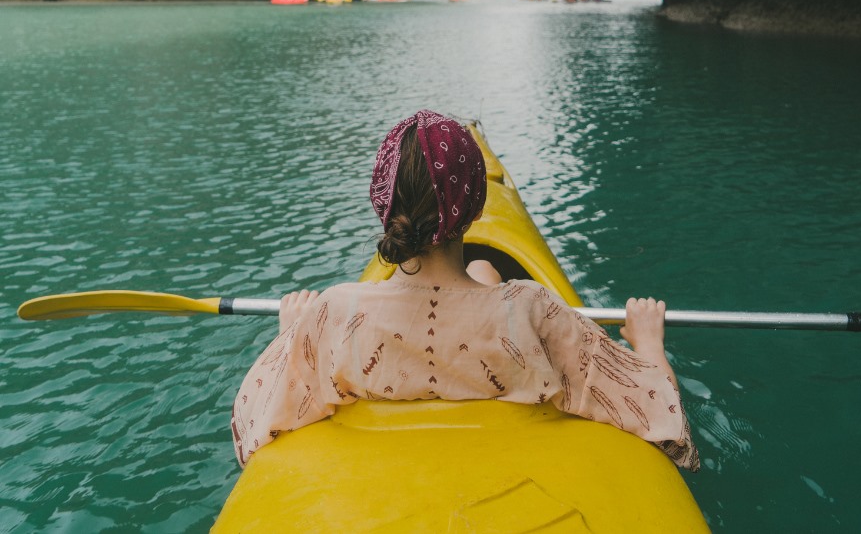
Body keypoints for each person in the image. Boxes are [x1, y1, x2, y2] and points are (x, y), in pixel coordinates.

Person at [231, 111, 699, 472]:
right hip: (513, 463)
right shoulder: (532, 309)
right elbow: (663, 415)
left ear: (383, 204)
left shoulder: (332, 313)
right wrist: (649, 341)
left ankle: (481, 277)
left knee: (482, 275)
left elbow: (255, 419)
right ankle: (482, 278)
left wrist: (291, 336)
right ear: (475, 206)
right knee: (483, 274)